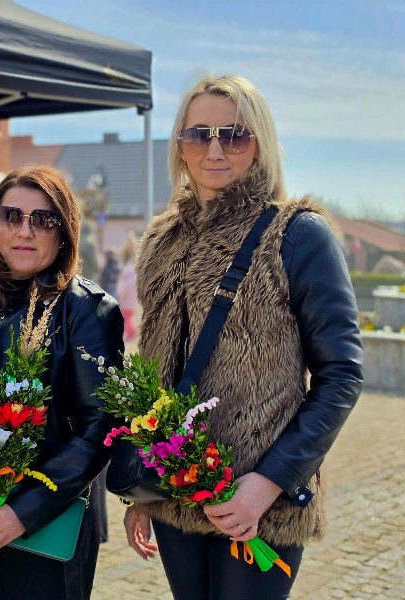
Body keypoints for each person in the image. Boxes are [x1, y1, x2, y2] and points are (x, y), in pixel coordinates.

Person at [124, 75, 363, 599]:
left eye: (233, 135)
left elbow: (342, 375)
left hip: (259, 503)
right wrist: (143, 488)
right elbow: (155, 371)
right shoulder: (161, 240)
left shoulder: (297, 234)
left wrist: (270, 480)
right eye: (199, 135)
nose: (214, 150)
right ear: (180, 145)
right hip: (175, 495)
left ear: (260, 143)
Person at [0, 165, 124, 599]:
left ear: (64, 231)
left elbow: (100, 427)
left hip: (46, 517)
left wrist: (24, 510)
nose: (25, 231)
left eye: (43, 219)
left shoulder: (86, 310)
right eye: (11, 216)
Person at [115, 232, 139, 341]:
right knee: (127, 315)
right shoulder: (129, 262)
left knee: (126, 315)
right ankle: (132, 333)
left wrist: (122, 292)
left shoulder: (130, 267)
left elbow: (129, 283)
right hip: (129, 295)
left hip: (128, 296)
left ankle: (131, 333)